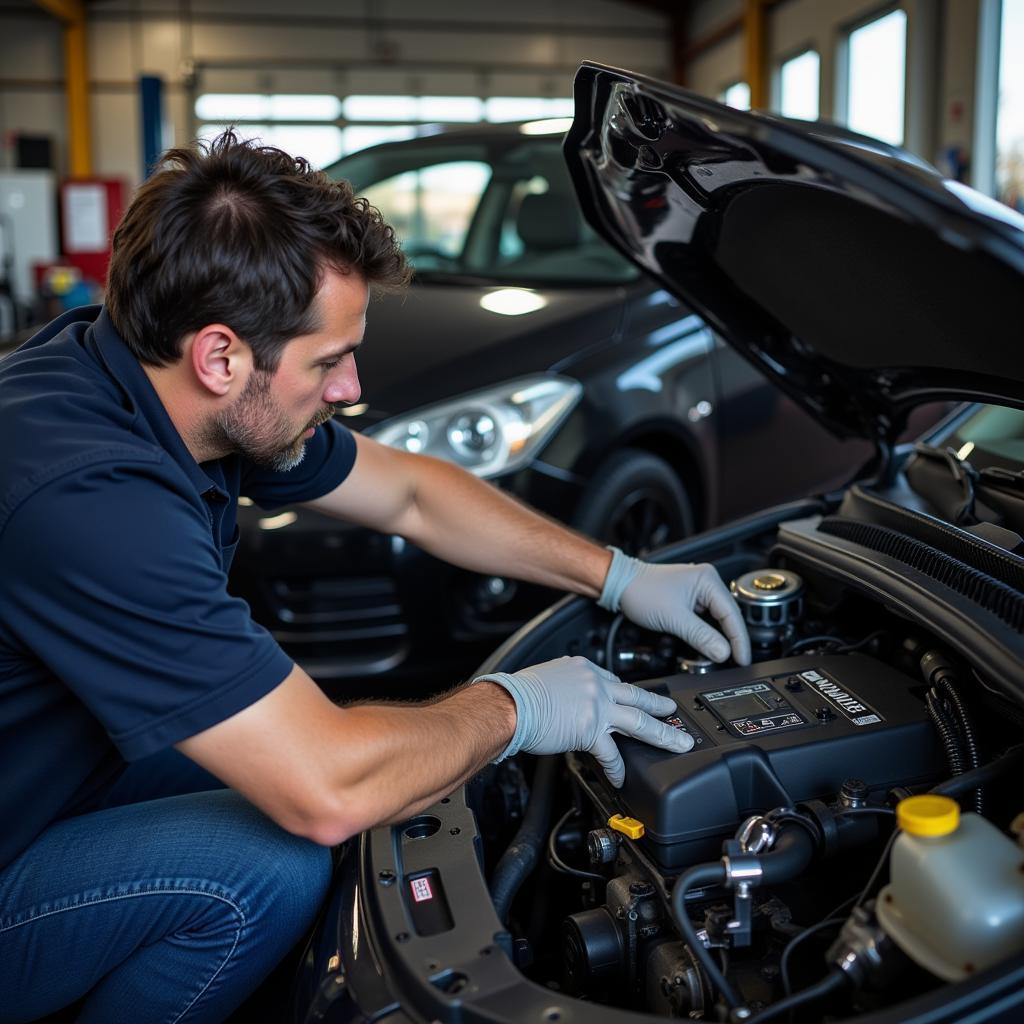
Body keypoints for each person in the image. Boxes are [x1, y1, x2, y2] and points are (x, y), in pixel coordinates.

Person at [0, 131, 750, 1023]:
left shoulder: (135, 375)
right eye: (328, 362)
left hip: (48, 775)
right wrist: (517, 709)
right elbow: (325, 791)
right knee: (272, 863)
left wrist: (619, 574)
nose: (352, 387)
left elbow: (409, 495)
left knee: (343, 750)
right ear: (220, 357)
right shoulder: (87, 497)